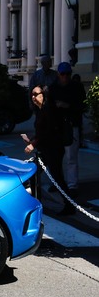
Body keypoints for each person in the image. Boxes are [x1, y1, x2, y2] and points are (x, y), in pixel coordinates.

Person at [22, 85, 75, 216]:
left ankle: (69, 205)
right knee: (34, 174)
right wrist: (32, 140)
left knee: (57, 177)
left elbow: (48, 132)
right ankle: (34, 200)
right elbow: (41, 132)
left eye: (36, 94)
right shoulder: (40, 110)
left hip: (54, 149)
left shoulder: (48, 109)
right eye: (32, 95)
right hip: (45, 149)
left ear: (43, 95)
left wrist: (33, 144)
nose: (33, 97)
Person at [49, 62, 86, 197]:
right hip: (57, 126)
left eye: (67, 74)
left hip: (71, 125)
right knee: (56, 158)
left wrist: (67, 106)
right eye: (63, 74)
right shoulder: (54, 88)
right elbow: (49, 107)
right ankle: (58, 182)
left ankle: (72, 184)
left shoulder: (76, 87)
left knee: (71, 157)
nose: (65, 77)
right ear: (59, 74)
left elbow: (82, 106)